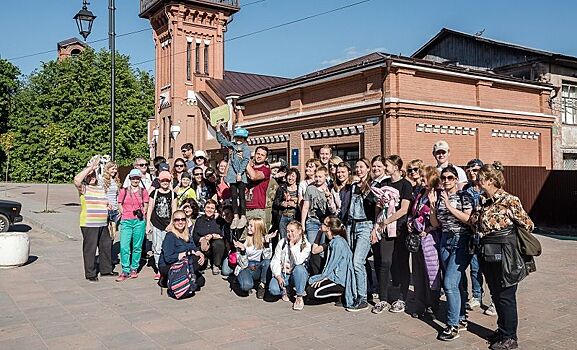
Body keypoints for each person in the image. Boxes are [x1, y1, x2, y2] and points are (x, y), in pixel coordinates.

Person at [470, 162, 533, 350]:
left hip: (505, 253)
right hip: (486, 253)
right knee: (496, 294)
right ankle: (502, 329)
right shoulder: (481, 200)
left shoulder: (509, 200)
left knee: (506, 295)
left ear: (490, 180)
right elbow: (475, 222)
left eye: (481, 178)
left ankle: (510, 338)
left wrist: (507, 233)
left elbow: (527, 224)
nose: (478, 181)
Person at [430, 165, 474, 341]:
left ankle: (452, 324)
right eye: (444, 178)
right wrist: (434, 206)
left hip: (461, 241)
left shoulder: (465, 196)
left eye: (450, 178)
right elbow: (435, 223)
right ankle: (461, 317)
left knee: (449, 283)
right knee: (456, 284)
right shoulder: (439, 198)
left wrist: (448, 205)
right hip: (445, 240)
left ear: (456, 179)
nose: (446, 181)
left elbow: (468, 219)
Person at [371, 155, 413, 314]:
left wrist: (386, 221)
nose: (384, 167)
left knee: (401, 263)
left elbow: (404, 209)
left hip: (400, 229)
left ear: (395, 167)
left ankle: (402, 298)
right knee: (385, 262)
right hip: (385, 230)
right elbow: (378, 206)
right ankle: (383, 299)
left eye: (387, 165)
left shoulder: (405, 185)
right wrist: (378, 221)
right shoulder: (384, 183)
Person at [339, 159, 376, 312]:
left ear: (368, 169)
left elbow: (373, 202)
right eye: (357, 167)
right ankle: (366, 289)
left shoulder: (372, 185)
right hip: (351, 225)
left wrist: (364, 184)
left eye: (362, 167)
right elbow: (345, 205)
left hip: (365, 225)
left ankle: (362, 298)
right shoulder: (352, 186)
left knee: (357, 262)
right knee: (361, 261)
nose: (359, 169)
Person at [407, 166, 442, 319]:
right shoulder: (420, 193)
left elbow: (438, 221)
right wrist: (410, 221)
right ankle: (420, 304)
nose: (421, 179)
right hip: (417, 238)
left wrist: (427, 229)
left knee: (431, 272)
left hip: (430, 239)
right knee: (418, 273)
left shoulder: (438, 194)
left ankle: (432, 305)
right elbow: (414, 211)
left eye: (424, 177)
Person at [74, 156, 116, 282]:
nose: (92, 177)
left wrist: (107, 205)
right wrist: (90, 168)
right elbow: (76, 180)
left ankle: (106, 270)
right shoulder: (84, 188)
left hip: (102, 223)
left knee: (106, 246)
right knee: (90, 249)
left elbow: (102, 200)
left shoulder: (100, 188)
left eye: (93, 175)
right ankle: (90, 273)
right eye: (89, 176)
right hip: (89, 223)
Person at [307, 216, 356, 308]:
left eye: (324, 223)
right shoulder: (331, 241)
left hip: (338, 279)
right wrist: (319, 232)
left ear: (328, 228)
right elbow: (314, 251)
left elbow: (332, 265)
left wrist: (323, 278)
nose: (321, 224)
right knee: (310, 282)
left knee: (312, 292)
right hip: (331, 275)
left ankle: (340, 293)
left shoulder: (338, 243)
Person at [462, 158, 491, 314]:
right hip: (472, 235)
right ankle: (477, 296)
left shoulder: (488, 189)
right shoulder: (466, 189)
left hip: (488, 236)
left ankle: (494, 299)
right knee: (474, 268)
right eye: (470, 170)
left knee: (491, 269)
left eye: (475, 170)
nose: (472, 173)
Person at [158, 210, 206, 292]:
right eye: (177, 220)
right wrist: (186, 253)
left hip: (183, 263)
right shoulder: (170, 236)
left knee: (201, 281)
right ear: (173, 222)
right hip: (168, 265)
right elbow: (168, 258)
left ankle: (180, 278)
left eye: (183, 219)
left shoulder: (187, 235)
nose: (180, 222)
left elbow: (193, 247)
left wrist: (199, 253)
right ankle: (167, 279)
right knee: (195, 261)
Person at [269, 221, 311, 311]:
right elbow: (275, 260)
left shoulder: (306, 245)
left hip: (297, 274)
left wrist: (292, 246)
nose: (289, 234)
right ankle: (287, 289)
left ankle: (299, 296)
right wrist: (278, 276)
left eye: (292, 231)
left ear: (299, 231)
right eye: (288, 231)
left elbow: (299, 261)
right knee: (273, 290)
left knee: (299, 269)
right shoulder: (282, 242)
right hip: (283, 273)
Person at [116, 169, 150, 282]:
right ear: (130, 178)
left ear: (140, 179)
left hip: (139, 221)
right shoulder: (123, 191)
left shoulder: (143, 191)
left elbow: (146, 204)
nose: (135, 180)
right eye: (133, 178)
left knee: (137, 246)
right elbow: (119, 203)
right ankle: (125, 269)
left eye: (137, 178)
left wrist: (143, 213)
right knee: (124, 246)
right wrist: (123, 213)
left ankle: (134, 268)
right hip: (126, 220)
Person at [216, 124, 251, 230]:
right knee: (234, 196)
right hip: (232, 176)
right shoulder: (233, 146)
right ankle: (235, 216)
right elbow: (223, 141)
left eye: (241, 138)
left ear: (244, 139)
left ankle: (243, 216)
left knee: (241, 196)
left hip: (240, 175)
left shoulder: (246, 149)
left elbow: (245, 160)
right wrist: (218, 130)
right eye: (237, 137)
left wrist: (240, 173)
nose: (239, 140)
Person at [231, 218, 275, 299]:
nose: (248, 228)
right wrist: (243, 251)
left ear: (258, 228)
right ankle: (239, 280)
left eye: (251, 226)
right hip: (245, 267)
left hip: (257, 266)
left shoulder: (263, 238)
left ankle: (262, 285)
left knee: (267, 262)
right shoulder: (243, 239)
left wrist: (267, 243)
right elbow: (242, 264)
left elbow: (267, 258)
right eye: (248, 225)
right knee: (246, 286)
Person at [146, 171, 177, 280]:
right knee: (157, 248)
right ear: (159, 181)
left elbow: (174, 210)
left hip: (168, 225)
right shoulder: (154, 193)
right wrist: (148, 224)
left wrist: (172, 224)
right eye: (163, 180)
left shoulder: (173, 194)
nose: (165, 182)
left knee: (168, 248)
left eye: (167, 180)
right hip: (156, 224)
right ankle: (160, 270)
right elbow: (150, 208)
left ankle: (168, 268)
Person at [192, 199, 226, 275]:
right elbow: (194, 236)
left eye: (212, 208)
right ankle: (206, 261)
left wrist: (212, 236)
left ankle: (216, 264)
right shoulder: (199, 220)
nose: (209, 210)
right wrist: (201, 239)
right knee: (198, 266)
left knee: (219, 243)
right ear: (204, 208)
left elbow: (223, 235)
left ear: (215, 210)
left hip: (216, 247)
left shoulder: (219, 220)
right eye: (208, 207)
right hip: (203, 247)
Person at [245, 146, 271, 227]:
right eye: (258, 154)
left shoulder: (266, 170)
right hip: (244, 208)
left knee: (257, 238)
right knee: (243, 239)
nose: (259, 156)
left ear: (266, 158)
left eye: (262, 155)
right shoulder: (249, 167)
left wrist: (245, 161)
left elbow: (254, 176)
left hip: (257, 210)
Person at [273, 167, 300, 239]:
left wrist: (295, 205)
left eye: (293, 176)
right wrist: (282, 203)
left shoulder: (300, 188)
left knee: (295, 238)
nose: (290, 178)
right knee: (283, 238)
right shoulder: (282, 187)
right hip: (283, 216)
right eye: (289, 175)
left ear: (297, 178)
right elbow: (276, 202)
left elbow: (303, 203)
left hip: (295, 217)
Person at [100, 161, 121, 240]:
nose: (115, 171)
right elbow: (100, 194)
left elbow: (117, 195)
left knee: (113, 234)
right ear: (107, 169)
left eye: (116, 169)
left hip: (115, 209)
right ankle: (105, 251)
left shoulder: (116, 180)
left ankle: (110, 250)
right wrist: (105, 204)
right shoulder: (102, 180)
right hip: (105, 209)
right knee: (105, 233)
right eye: (113, 169)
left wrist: (119, 208)